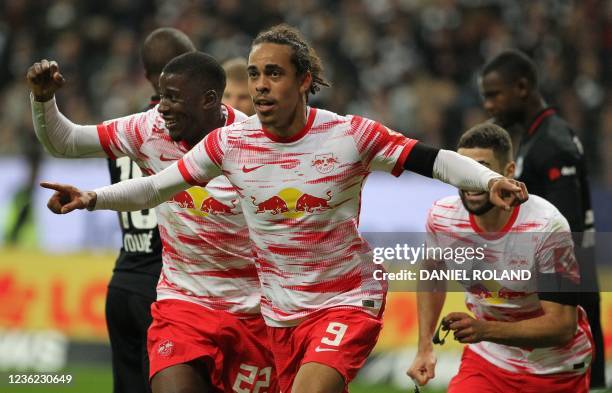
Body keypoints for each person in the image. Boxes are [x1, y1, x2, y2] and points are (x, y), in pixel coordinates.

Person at [40, 24, 527, 393]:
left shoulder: (350, 136)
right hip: (276, 314)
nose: (261, 85)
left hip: (344, 299)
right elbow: (155, 189)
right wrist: (93, 199)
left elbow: (432, 159)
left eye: (274, 73)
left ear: (304, 81)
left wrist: (489, 180)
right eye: (254, 74)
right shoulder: (229, 145)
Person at [27, 51, 277, 393]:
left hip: (253, 313)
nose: (162, 107)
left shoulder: (256, 143)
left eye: (173, 98)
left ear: (208, 100)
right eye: (162, 96)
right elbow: (67, 141)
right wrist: (43, 99)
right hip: (184, 305)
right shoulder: (149, 129)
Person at [407, 123, 593, 392]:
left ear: (508, 172)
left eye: (482, 168)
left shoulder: (546, 225)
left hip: (555, 369)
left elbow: (562, 325)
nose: (471, 180)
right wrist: (424, 346)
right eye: (463, 169)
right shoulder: (442, 217)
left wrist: (484, 330)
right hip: (488, 361)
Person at [479, 49, 604, 388]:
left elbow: (569, 230)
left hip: (567, 296)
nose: (489, 106)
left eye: (494, 95)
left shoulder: (552, 144)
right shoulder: (540, 136)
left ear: (521, 87)